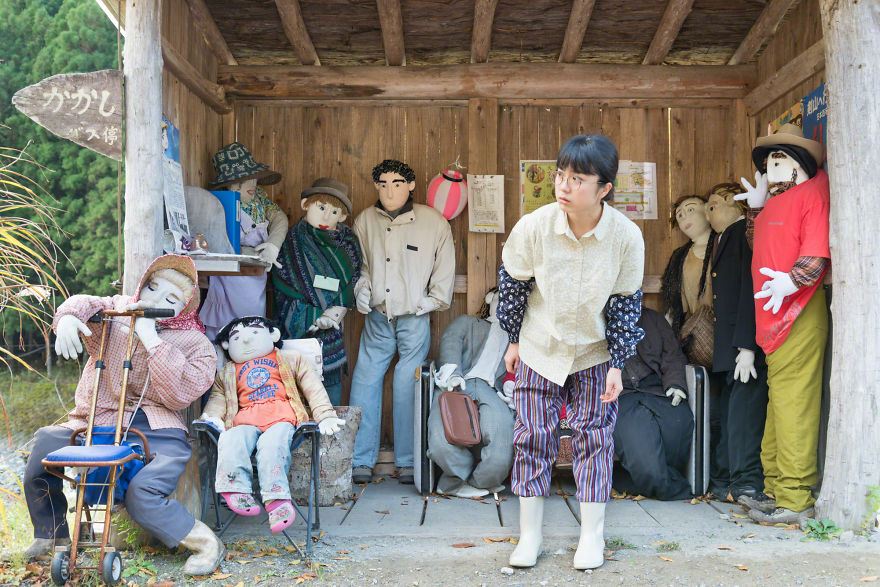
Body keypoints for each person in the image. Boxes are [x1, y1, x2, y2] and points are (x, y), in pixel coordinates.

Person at [498, 135, 645, 570]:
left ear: (604, 189)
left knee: (594, 441)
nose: (563, 185)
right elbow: (512, 286)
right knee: (532, 438)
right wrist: (512, 340)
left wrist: (618, 363)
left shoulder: (625, 236)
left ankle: (591, 538)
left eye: (577, 179)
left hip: (596, 351)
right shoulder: (534, 226)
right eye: (561, 175)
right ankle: (529, 538)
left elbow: (625, 303)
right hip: (540, 345)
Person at [25, 255, 223, 576]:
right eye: (152, 288)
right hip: (93, 417)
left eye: (170, 299)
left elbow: (180, 395)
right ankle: (52, 533)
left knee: (142, 494)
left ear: (185, 307)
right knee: (44, 450)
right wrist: (68, 318)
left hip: (157, 428)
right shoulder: (116, 312)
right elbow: (86, 301)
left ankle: (205, 542)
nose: (155, 300)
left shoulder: (197, 343)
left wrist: (152, 340)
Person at [734, 124, 829, 527]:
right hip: (771, 316)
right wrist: (756, 209)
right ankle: (776, 490)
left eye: (781, 158)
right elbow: (762, 245)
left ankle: (795, 497)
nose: (772, 166)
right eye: (769, 160)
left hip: (799, 309)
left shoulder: (813, 193)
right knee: (779, 402)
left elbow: (815, 253)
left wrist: (793, 280)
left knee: (794, 403)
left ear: (801, 163)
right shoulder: (779, 200)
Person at [348, 159, 455, 485]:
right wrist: (360, 288)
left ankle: (410, 461)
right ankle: (359, 460)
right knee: (364, 382)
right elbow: (360, 263)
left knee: (408, 385)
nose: (389, 190)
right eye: (382, 184)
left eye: (396, 183)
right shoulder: (365, 220)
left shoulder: (432, 221)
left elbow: (445, 264)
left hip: (414, 317)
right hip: (378, 317)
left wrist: (434, 299)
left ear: (410, 185)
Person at [198, 316, 345, 534]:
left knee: (272, 446)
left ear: (272, 335)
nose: (246, 341)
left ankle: (277, 500)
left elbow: (312, 387)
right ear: (228, 345)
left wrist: (325, 415)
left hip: (281, 418)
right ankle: (235, 488)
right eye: (237, 337)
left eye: (255, 333)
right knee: (229, 439)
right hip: (244, 420)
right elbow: (218, 400)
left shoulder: (290, 359)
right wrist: (210, 418)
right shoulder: (228, 371)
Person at [704, 182, 769, 506]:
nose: (708, 211)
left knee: (743, 416)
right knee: (731, 415)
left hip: (743, 342)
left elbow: (750, 288)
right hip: (729, 345)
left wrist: (747, 345)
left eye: (715, 203)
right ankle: (729, 482)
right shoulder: (723, 238)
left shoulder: (744, 233)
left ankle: (742, 483)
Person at [273, 177, 362, 405]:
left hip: (330, 331)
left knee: (330, 390)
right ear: (306, 205)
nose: (325, 217)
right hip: (296, 328)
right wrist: (312, 314)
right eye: (321, 207)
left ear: (342, 217)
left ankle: (328, 436)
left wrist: (334, 312)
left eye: (334, 212)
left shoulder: (348, 243)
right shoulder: (291, 239)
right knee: (295, 392)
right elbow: (283, 280)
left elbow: (351, 281)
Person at [427, 288, 515, 497]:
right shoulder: (468, 323)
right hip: (456, 383)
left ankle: (481, 482)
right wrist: (452, 371)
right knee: (441, 435)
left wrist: (512, 386)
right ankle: (454, 480)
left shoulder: (517, 339)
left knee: (503, 431)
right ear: (489, 299)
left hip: (492, 388)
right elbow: (451, 340)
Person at [199, 142, 289, 339]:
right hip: (228, 278)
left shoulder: (261, 200)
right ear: (231, 183)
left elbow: (280, 218)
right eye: (245, 179)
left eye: (253, 178)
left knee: (253, 328)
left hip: (256, 278)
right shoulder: (217, 203)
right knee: (226, 331)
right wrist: (247, 252)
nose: (252, 184)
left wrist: (273, 245)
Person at [613, 307, 694, 501]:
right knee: (648, 466)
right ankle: (666, 485)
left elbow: (673, 355)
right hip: (621, 396)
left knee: (680, 422)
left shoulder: (653, 319)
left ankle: (633, 479)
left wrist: (676, 384)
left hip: (656, 390)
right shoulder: (598, 319)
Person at [661, 194, 716, 368]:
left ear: (708, 210)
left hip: (724, 329)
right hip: (694, 334)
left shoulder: (723, 246)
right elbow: (674, 299)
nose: (685, 217)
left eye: (691, 209)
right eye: (680, 215)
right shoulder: (680, 256)